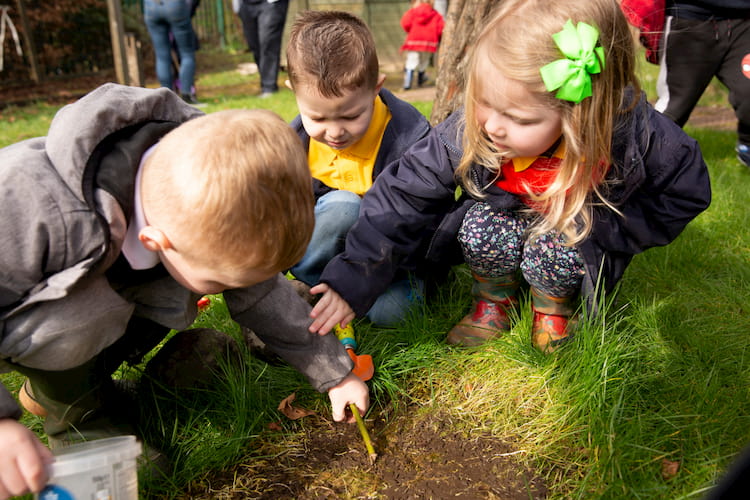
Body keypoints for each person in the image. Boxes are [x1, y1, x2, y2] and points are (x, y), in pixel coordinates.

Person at [0, 83, 369, 499]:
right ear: (157, 240)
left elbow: (262, 293)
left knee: (160, 292)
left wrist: (335, 374)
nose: (236, 290)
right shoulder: (29, 207)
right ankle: (81, 416)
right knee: (88, 312)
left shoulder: (218, 177)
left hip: (105, 302)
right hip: (27, 308)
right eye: (222, 284)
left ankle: (75, 384)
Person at [308, 0, 712, 352]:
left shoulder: (635, 134)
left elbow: (686, 190)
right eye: (485, 103)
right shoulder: (477, 126)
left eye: (518, 118)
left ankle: (554, 308)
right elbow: (405, 192)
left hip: (570, 224)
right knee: (480, 225)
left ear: (581, 113)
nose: (493, 127)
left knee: (559, 244)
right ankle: (493, 299)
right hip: (508, 217)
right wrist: (353, 276)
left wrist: (607, 231)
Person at [285, 10, 432, 329]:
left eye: (350, 116)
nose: (335, 132)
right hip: (325, 253)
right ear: (294, 93)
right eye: (319, 119)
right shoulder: (291, 144)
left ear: (376, 87)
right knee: (342, 207)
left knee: (394, 315)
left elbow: (412, 224)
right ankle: (314, 284)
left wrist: (361, 283)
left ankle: (343, 298)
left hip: (388, 258)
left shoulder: (409, 141)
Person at [622, 0, 750, 167]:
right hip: (688, 21)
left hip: (744, 24)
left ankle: (747, 147)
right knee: (672, 111)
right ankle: (637, 163)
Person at [144, 0, 201, 105]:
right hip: (175, 6)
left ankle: (166, 98)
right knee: (187, 53)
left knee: (162, 56)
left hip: (151, 6)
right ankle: (187, 95)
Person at [238, 0, 289, 97]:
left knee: (268, 42)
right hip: (246, 4)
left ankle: (269, 87)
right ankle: (265, 83)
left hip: (271, 3)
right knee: (253, 44)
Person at [400, 0, 444, 90]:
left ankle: (407, 83)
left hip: (414, 39)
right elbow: (440, 28)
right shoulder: (435, 14)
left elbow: (405, 23)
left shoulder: (413, 11)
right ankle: (420, 80)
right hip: (429, 42)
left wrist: (410, 31)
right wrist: (438, 38)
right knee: (424, 61)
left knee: (411, 60)